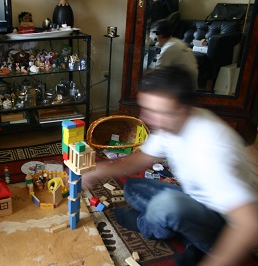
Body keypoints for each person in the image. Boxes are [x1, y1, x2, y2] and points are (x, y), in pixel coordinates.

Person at [83, 67, 258, 266]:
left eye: (157, 112)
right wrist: (99, 170)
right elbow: (140, 160)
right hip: (197, 200)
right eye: (146, 109)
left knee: (166, 204)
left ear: (183, 109)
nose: (147, 118)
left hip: (224, 224)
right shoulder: (171, 122)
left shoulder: (211, 151)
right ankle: (186, 238)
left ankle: (156, 228)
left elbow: (250, 225)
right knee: (132, 188)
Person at [149, 19, 199, 91]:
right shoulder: (178, 42)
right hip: (191, 88)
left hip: (181, 91)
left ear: (159, 34)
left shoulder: (168, 49)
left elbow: (156, 72)